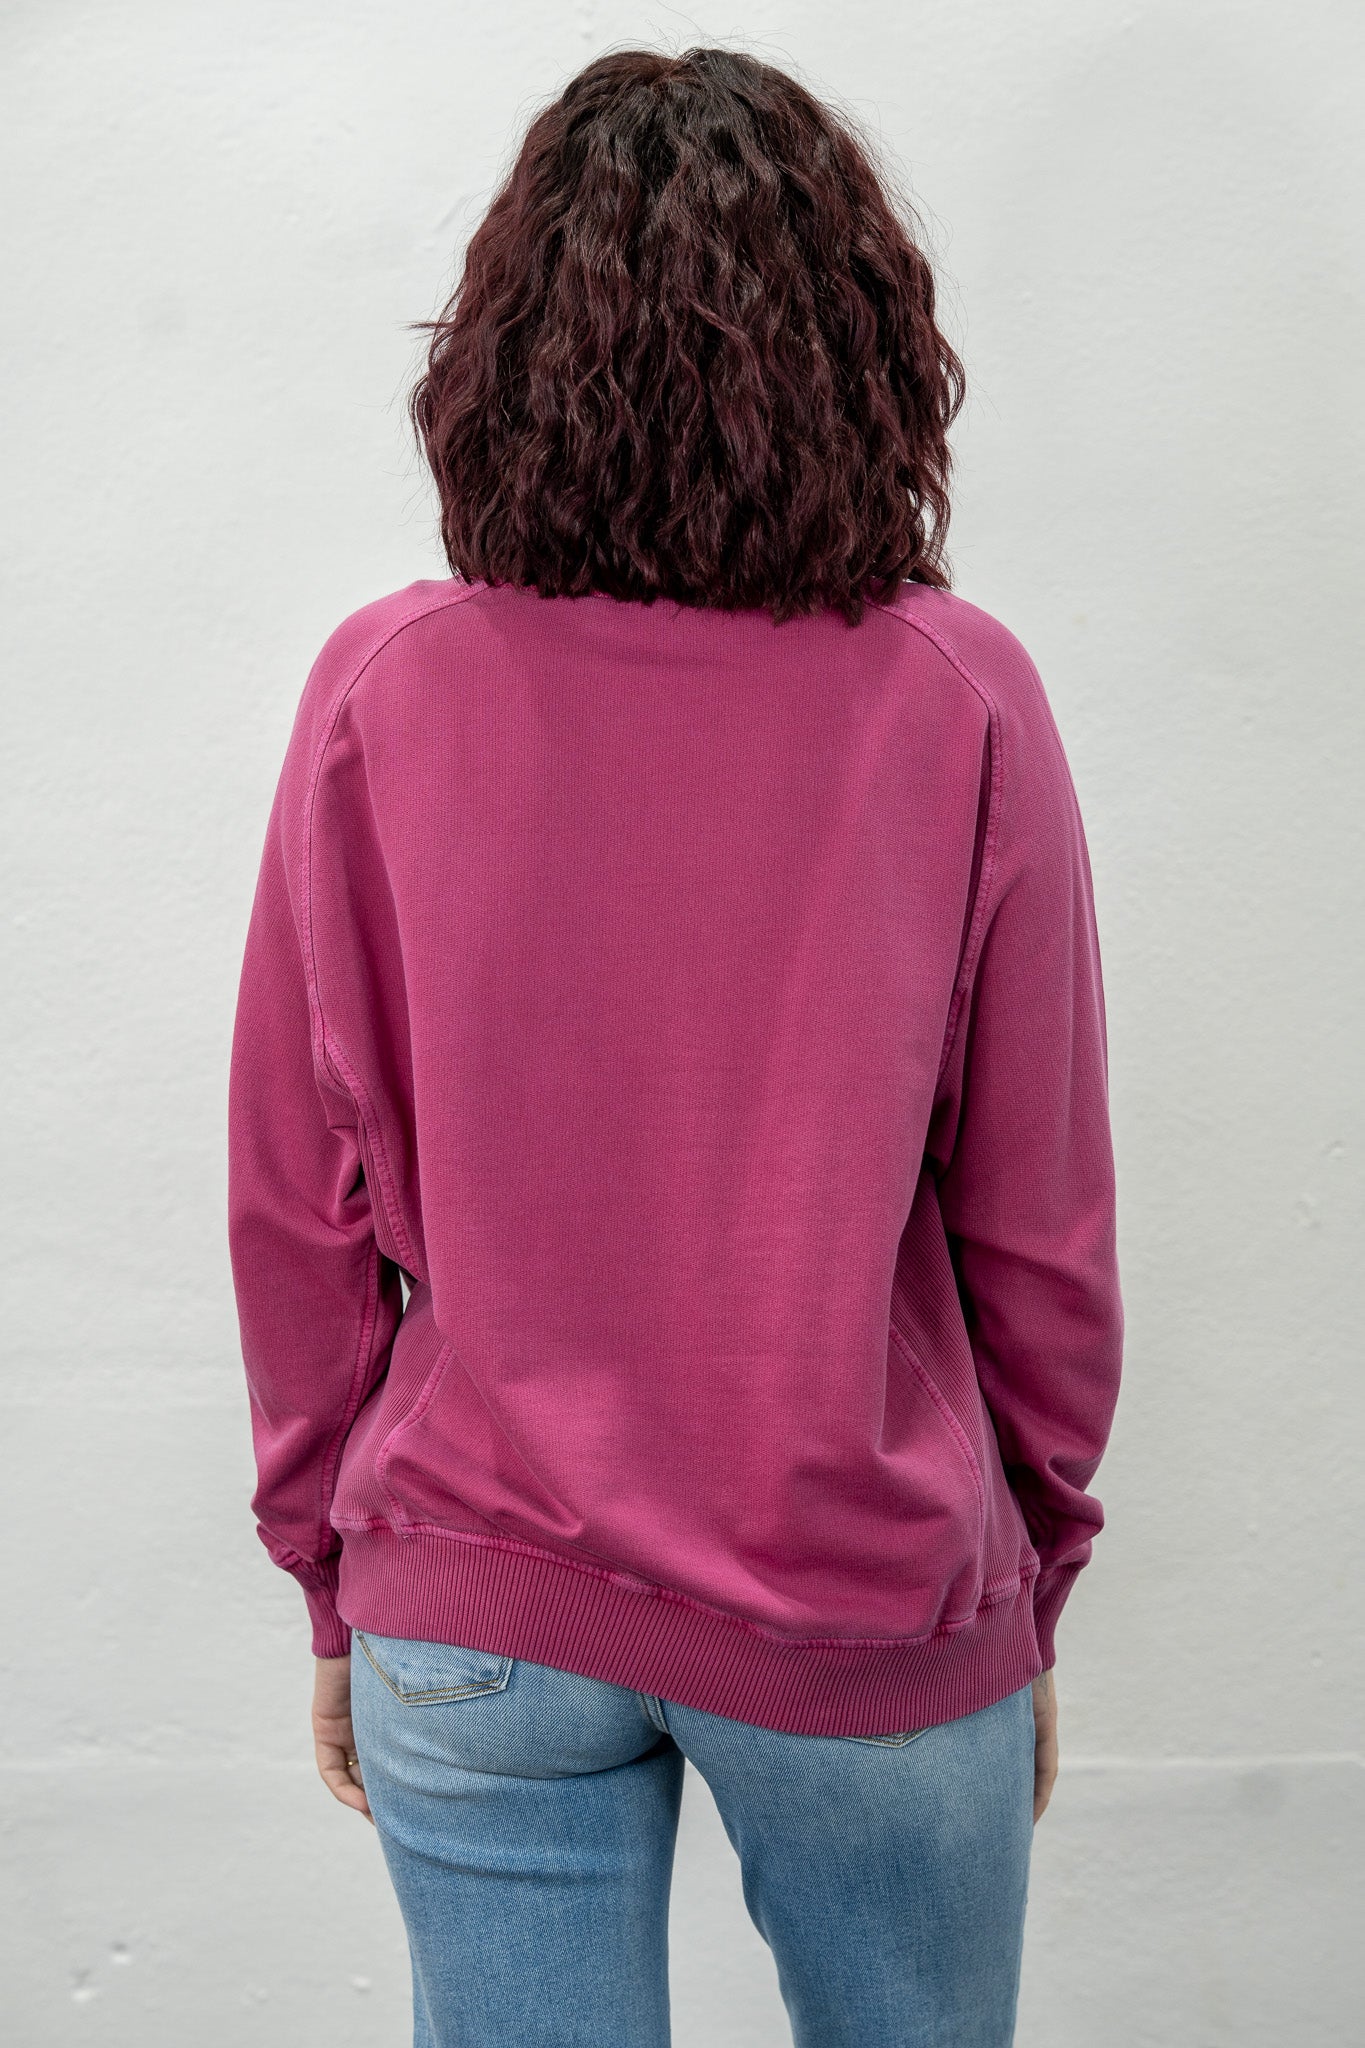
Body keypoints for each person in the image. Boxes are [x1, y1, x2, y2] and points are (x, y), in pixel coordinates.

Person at [227, 44, 1123, 2048]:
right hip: (865, 1596)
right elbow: (1040, 1217)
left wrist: (327, 1567)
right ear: (861, 351)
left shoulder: (382, 686)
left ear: (503, 356)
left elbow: (297, 1201)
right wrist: (1028, 1578)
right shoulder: (954, 694)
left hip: (469, 1589)